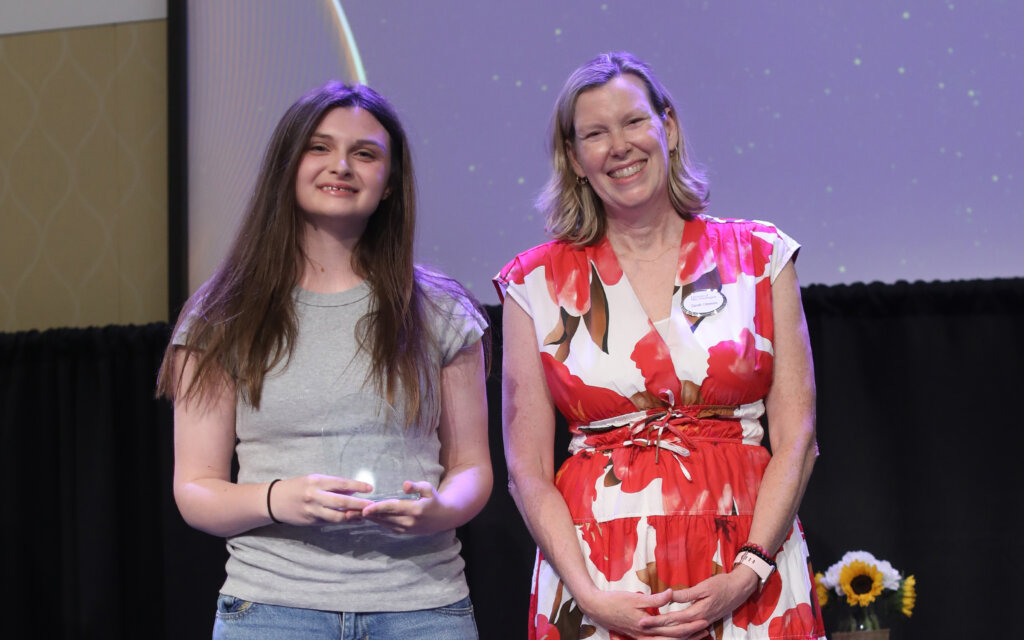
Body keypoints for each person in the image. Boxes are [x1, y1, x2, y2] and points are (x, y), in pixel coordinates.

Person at [495, 52, 825, 640]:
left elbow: (798, 434)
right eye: (594, 133)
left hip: (747, 564)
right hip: (600, 579)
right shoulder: (532, 284)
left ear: (667, 129)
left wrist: (749, 571)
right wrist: (591, 596)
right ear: (574, 159)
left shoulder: (761, 255)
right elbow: (527, 470)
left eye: (632, 122)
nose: (618, 145)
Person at [157, 81, 492, 639]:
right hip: (272, 609)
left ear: (389, 185)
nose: (342, 165)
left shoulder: (440, 308)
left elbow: (473, 469)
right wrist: (277, 498)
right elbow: (196, 489)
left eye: (365, 154)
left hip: (422, 607)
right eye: (320, 147)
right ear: (287, 165)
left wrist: (440, 509)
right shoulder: (222, 312)